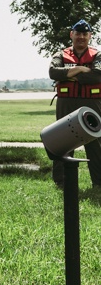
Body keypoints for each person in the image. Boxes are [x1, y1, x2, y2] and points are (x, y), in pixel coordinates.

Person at [48, 19, 101, 188]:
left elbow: (98, 75)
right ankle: (61, 182)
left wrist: (69, 74)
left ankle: (98, 183)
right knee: (62, 141)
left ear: (90, 36)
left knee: (95, 144)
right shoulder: (60, 54)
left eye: (85, 34)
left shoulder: (98, 55)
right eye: (78, 34)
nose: (81, 37)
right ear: (72, 34)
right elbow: (53, 72)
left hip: (92, 104)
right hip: (66, 103)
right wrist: (80, 69)